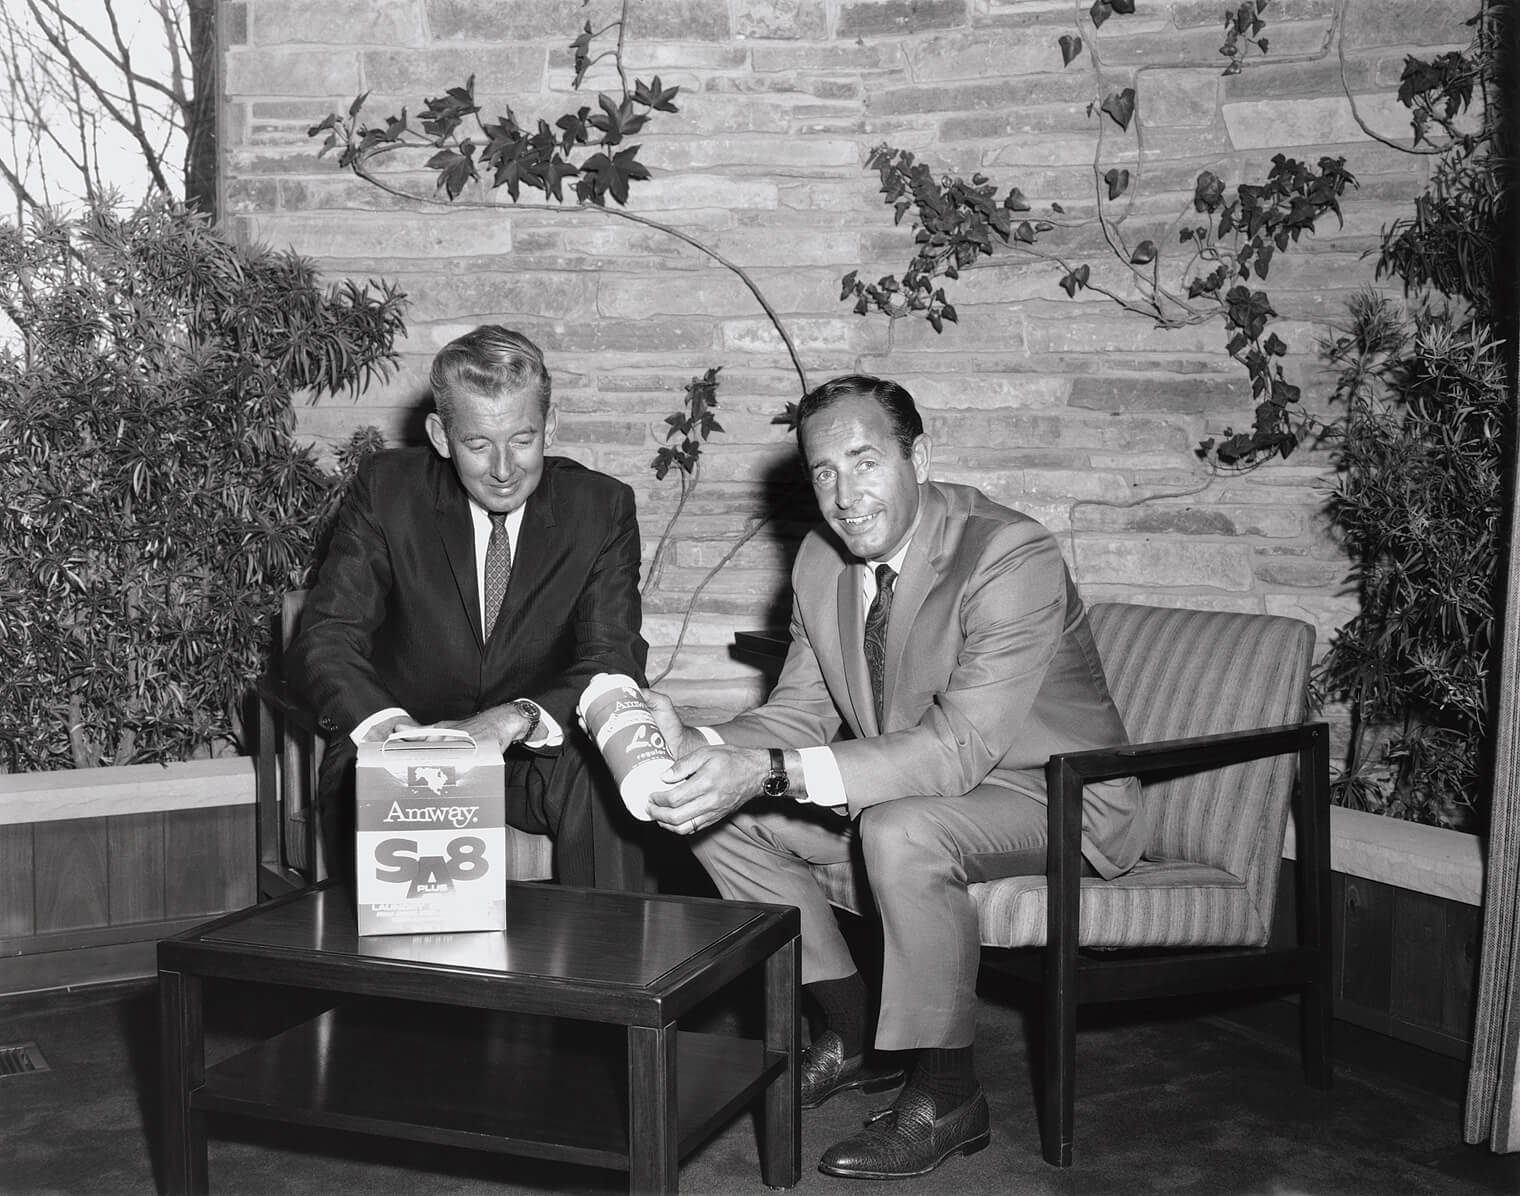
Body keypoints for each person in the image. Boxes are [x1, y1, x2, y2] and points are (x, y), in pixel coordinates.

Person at [640, 374, 1147, 1180]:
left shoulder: (1010, 553)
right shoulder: (820, 560)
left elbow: (957, 748)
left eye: (865, 461)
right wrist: (700, 746)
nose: (845, 496)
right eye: (824, 472)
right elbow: (800, 715)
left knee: (898, 826)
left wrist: (766, 770)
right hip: (918, 787)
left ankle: (949, 1094)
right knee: (720, 810)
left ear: (920, 458)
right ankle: (851, 1030)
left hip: (1051, 794)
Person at [289, 324, 649, 891]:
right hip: (403, 745)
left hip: (531, 758)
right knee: (371, 786)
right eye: (478, 445)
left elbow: (613, 660)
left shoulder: (601, 508)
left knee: (602, 770)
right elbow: (328, 637)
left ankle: (609, 943)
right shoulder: (387, 490)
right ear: (440, 436)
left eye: (523, 439)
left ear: (551, 426)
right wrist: (401, 738)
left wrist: (514, 718)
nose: (504, 468)